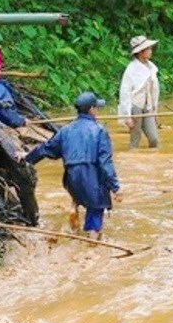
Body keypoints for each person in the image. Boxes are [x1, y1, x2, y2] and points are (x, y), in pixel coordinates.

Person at [21, 92, 122, 240]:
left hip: (71, 177)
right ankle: (92, 247)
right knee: (96, 210)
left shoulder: (65, 130)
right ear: (91, 109)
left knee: (81, 193)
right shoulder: (99, 130)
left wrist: (27, 158)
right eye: (97, 108)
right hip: (91, 174)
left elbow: (46, 149)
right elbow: (105, 161)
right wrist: (116, 187)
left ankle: (74, 207)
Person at [118, 34, 161, 149]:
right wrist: (127, 116)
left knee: (154, 138)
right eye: (148, 49)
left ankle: (153, 160)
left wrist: (154, 109)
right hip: (135, 106)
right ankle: (132, 157)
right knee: (135, 138)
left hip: (148, 106)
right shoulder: (131, 70)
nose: (151, 51)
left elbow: (154, 90)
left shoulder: (151, 67)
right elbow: (125, 94)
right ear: (141, 52)